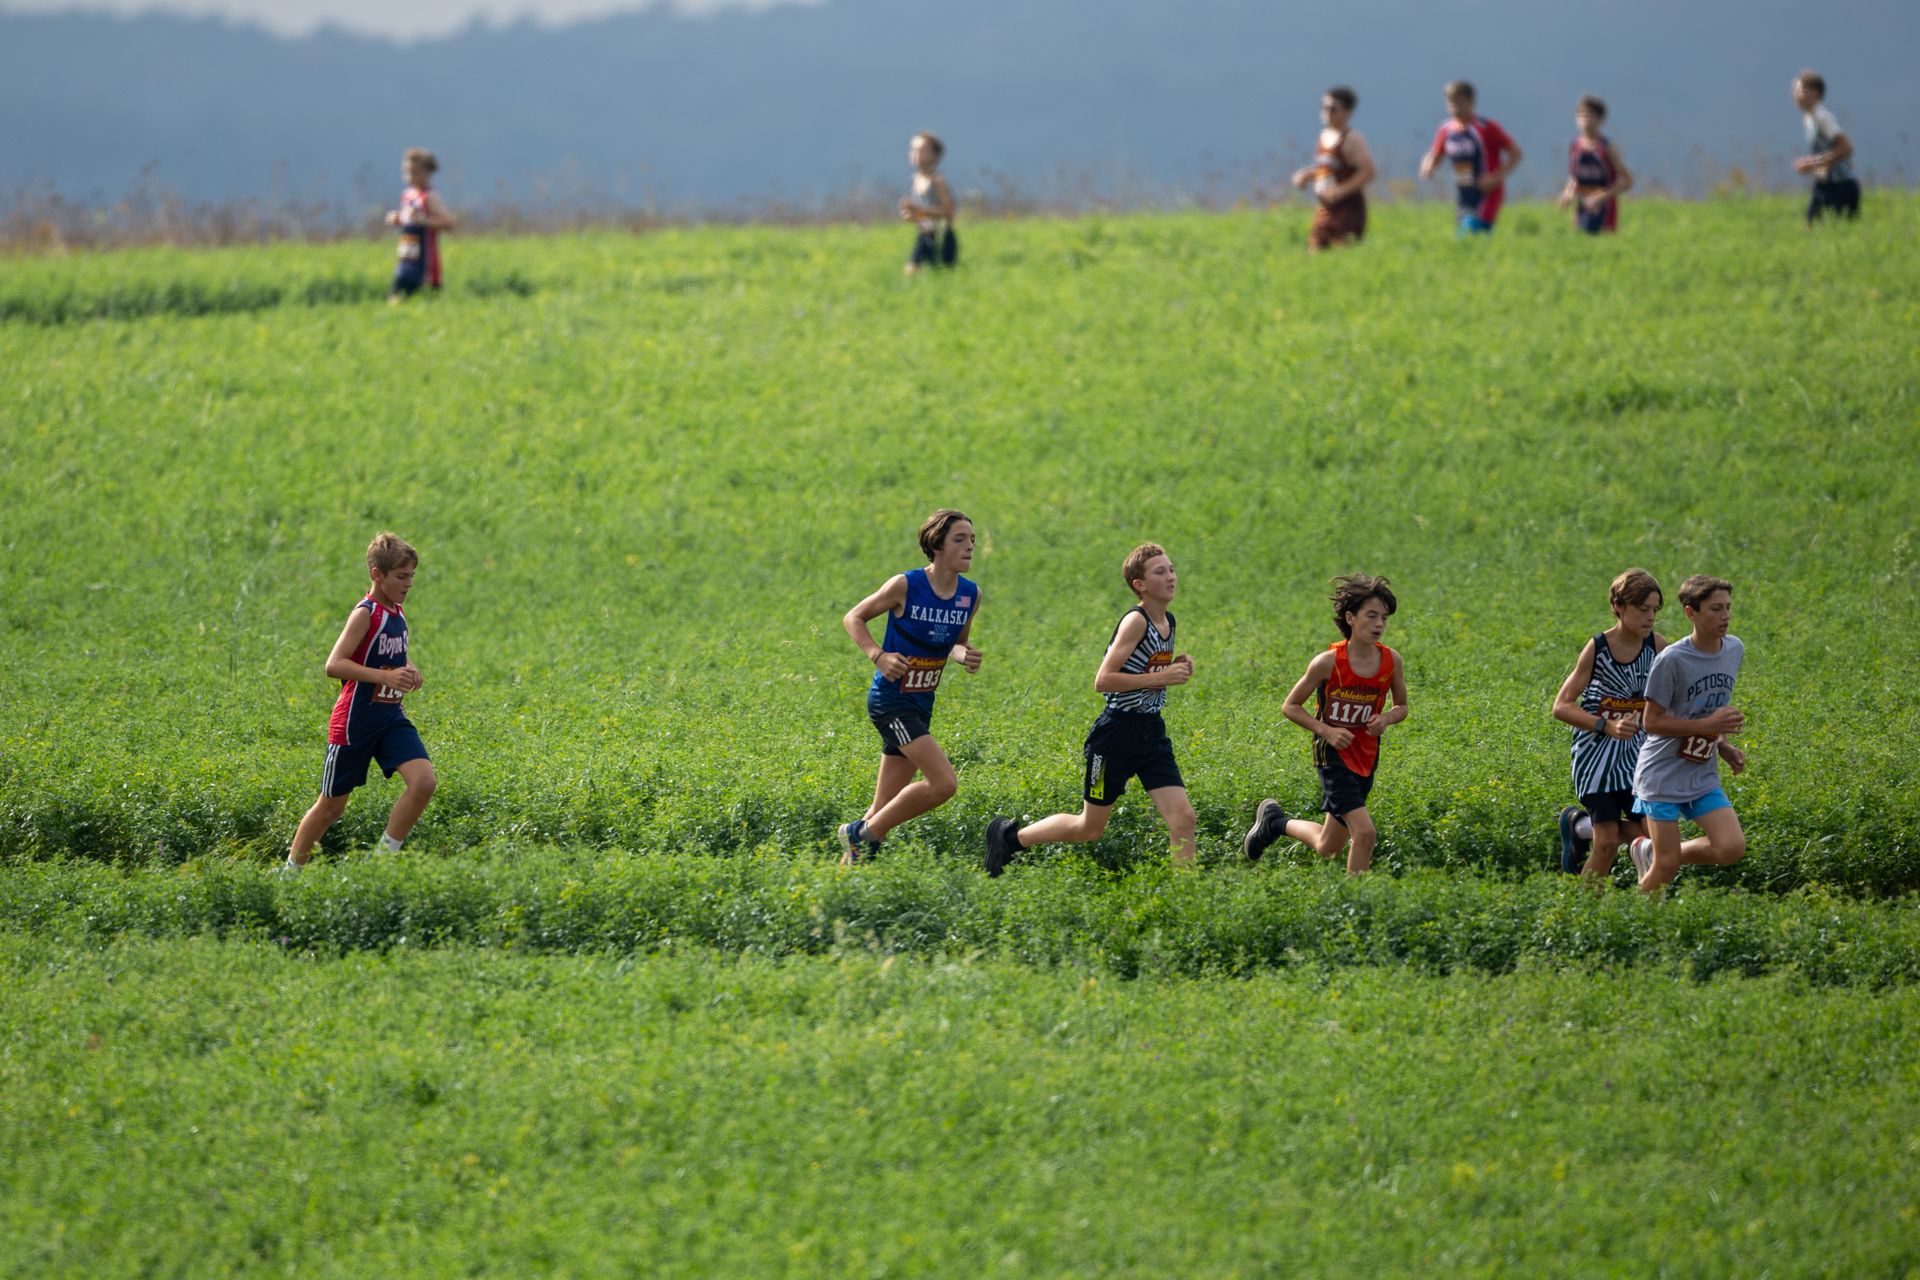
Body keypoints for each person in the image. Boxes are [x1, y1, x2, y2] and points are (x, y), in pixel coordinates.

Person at [985, 544, 1195, 875]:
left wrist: (1175, 664)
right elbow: (1104, 680)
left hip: (1151, 734)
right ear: (1139, 584)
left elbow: (1146, 670)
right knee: (1089, 828)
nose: (1171, 577)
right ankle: (1010, 838)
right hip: (1115, 737)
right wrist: (1165, 675)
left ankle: (1188, 897)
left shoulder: (1167, 621)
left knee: (1183, 818)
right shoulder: (1135, 621)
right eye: (1160, 571)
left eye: (1171, 569)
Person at [285, 533, 436, 871]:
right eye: (401, 576)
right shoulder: (365, 613)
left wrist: (409, 670)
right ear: (376, 574)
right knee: (330, 808)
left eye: (411, 576)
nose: (408, 584)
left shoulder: (397, 611)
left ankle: (381, 863)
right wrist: (385, 678)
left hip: (390, 718)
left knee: (424, 782)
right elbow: (334, 665)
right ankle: (290, 873)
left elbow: (393, 655)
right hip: (354, 722)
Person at [838, 510, 982, 863]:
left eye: (972, 540)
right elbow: (853, 617)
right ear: (937, 545)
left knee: (882, 805)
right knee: (944, 783)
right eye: (959, 539)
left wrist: (964, 655)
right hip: (891, 701)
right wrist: (878, 655)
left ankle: (844, 875)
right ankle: (863, 833)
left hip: (921, 703)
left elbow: (956, 643)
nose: (969, 547)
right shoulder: (906, 585)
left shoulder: (970, 595)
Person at [1242, 575, 1408, 874]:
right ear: (1350, 617)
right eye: (1371, 616)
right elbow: (1290, 707)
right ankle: (1359, 909)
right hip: (1333, 757)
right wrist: (1327, 731)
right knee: (1365, 834)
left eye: (1384, 617)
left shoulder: (1391, 661)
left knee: (1328, 847)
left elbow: (1402, 707)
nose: (1379, 624)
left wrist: (1385, 718)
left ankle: (1274, 823)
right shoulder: (1327, 663)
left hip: (1367, 756)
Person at [1627, 576, 1748, 893]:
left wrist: (1722, 743)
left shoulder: (1734, 649)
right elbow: (1651, 722)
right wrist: (1709, 726)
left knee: (1731, 848)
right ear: (1690, 613)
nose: (1725, 617)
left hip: (1701, 773)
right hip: (1662, 774)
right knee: (1666, 868)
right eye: (1715, 609)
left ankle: (1651, 852)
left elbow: (1706, 709)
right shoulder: (1672, 660)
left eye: (1728, 608)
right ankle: (1637, 924)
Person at [1549, 569, 1666, 881]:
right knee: (1608, 842)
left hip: (1637, 759)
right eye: (1643, 609)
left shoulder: (1658, 647)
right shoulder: (1598, 648)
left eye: (1655, 610)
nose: (1650, 617)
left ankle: (1578, 826)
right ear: (1619, 606)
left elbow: (1678, 696)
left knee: (1651, 833)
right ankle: (1584, 910)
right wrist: (1606, 726)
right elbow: (1561, 706)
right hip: (1597, 759)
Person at [1419, 81, 1523, 235]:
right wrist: (1427, 166)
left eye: (1459, 103)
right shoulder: (1445, 129)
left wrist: (1496, 177)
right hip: (1464, 191)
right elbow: (1435, 153)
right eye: (1451, 103)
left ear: (1471, 102)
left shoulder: (1486, 127)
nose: (1455, 108)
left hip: (1486, 192)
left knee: (1470, 232)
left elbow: (1516, 153)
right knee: (1468, 239)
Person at [1292, 85, 1375, 251]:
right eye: (1323, 107)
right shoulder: (1324, 136)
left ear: (1347, 112)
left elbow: (1368, 172)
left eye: (1332, 109)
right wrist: (1307, 175)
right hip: (1325, 208)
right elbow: (1328, 169)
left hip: (1348, 209)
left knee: (1341, 256)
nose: (1325, 112)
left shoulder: (1352, 139)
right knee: (1315, 250)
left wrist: (1341, 191)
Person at [386, 148, 454, 302]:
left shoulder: (430, 197)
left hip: (426, 265)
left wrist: (423, 221)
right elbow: (409, 220)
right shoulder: (407, 195)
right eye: (406, 172)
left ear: (427, 173)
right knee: (395, 299)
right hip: (406, 259)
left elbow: (448, 223)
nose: (409, 176)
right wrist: (398, 219)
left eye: (414, 172)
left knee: (425, 302)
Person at [1791, 71, 1860, 224]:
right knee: (1811, 227)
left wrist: (1813, 163)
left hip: (1841, 185)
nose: (1795, 95)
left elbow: (1846, 147)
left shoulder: (1823, 117)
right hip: (1824, 184)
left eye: (1799, 90)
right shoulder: (1809, 118)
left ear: (1815, 92)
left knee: (1836, 230)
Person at [1558, 96, 1632, 234]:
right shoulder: (1574, 146)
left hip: (1605, 212)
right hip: (1582, 209)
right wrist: (1568, 191)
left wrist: (1601, 196)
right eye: (1580, 115)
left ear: (1600, 119)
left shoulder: (1606, 148)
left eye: (1589, 115)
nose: (1584, 119)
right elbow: (1575, 176)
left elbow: (1627, 181)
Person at [899, 133, 957, 273]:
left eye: (921, 150)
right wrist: (911, 215)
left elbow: (948, 212)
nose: (915, 154)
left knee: (938, 275)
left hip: (940, 238)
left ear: (934, 155)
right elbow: (922, 214)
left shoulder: (937, 181)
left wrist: (918, 209)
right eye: (913, 150)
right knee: (911, 272)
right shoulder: (915, 179)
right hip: (924, 234)